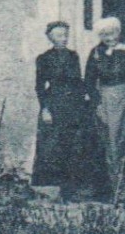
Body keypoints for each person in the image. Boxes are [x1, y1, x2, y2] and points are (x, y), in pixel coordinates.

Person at [32, 21, 100, 199]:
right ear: (50, 37)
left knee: (75, 145)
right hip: (55, 104)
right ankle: (53, 190)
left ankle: (73, 190)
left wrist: (87, 97)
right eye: (59, 35)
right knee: (54, 146)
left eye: (65, 35)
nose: (63, 39)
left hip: (74, 104)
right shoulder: (44, 58)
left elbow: (78, 80)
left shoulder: (73, 56)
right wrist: (45, 109)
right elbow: (40, 86)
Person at [85, 16, 125, 199]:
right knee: (109, 142)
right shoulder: (96, 52)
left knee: (123, 139)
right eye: (104, 34)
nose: (109, 38)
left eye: (112, 33)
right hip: (105, 99)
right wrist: (97, 103)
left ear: (119, 32)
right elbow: (89, 81)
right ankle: (113, 189)